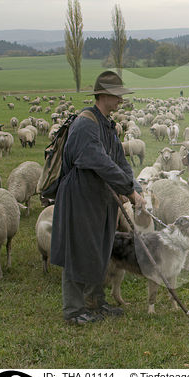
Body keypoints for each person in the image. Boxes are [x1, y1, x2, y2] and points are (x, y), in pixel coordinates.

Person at [51, 71, 145, 325]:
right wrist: (127, 188)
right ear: (104, 95)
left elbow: (120, 160)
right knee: (79, 250)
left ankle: (95, 302)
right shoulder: (85, 125)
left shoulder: (107, 125)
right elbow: (100, 163)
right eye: (117, 97)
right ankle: (73, 310)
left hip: (100, 198)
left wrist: (134, 186)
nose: (121, 102)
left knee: (100, 249)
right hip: (80, 197)